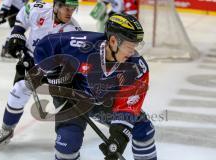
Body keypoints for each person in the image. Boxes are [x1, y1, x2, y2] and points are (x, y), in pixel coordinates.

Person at [33, 13, 157, 160]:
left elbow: (128, 108)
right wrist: (52, 72)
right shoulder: (82, 45)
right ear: (113, 41)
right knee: (68, 141)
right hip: (74, 97)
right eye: (129, 46)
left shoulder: (137, 68)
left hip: (105, 102)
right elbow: (45, 46)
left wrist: (119, 138)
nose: (133, 52)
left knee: (143, 128)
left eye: (135, 46)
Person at [0, 0, 80, 149]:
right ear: (56, 6)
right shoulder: (39, 8)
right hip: (30, 60)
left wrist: (61, 70)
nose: (70, 12)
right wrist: (17, 32)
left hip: (54, 71)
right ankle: (6, 130)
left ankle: (66, 138)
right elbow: (24, 13)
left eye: (73, 8)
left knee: (65, 106)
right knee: (18, 91)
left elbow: (74, 59)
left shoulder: (74, 30)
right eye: (66, 8)